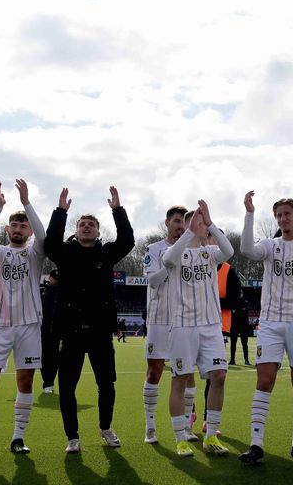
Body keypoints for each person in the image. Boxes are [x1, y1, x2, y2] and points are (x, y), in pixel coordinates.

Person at [237, 184, 293, 466]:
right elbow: (246, 249)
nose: (282, 219)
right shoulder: (271, 245)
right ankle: (256, 445)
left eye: (287, 214)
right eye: (278, 215)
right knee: (265, 381)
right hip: (272, 324)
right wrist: (250, 214)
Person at [43, 186, 135, 452]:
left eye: (91, 225)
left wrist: (118, 210)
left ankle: (105, 427)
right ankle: (72, 436)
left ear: (97, 231)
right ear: (76, 229)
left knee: (106, 384)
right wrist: (60, 212)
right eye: (82, 224)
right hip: (70, 331)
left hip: (100, 331)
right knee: (67, 386)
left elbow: (127, 241)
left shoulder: (106, 253)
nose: (86, 227)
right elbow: (50, 243)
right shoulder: (64, 252)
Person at [154, 201, 234, 457]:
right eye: (195, 222)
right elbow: (167, 259)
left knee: (219, 376)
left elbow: (229, 251)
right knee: (179, 380)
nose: (200, 226)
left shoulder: (211, 253)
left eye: (201, 224)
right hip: (183, 326)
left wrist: (210, 223)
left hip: (211, 326)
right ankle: (180, 439)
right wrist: (190, 230)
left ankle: (211, 436)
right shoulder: (177, 254)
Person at [0, 179, 46, 455]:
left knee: (25, 381)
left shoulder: (35, 253)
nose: (18, 229)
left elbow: (44, 237)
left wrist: (27, 202)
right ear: (7, 229)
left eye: (23, 225)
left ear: (28, 231)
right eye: (14, 225)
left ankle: (18, 437)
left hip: (29, 326)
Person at [140, 206, 196, 444]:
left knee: (188, 374)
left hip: (185, 319)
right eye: (176, 221)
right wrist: (169, 264)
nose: (180, 226)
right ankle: (150, 426)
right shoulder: (154, 249)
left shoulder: (194, 249)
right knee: (154, 371)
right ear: (167, 223)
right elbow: (153, 281)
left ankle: (185, 426)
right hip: (159, 319)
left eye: (183, 222)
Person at [40, 269, 60, 394]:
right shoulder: (42, 291)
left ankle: (50, 382)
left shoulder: (63, 291)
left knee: (54, 358)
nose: (55, 280)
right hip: (43, 330)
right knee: (44, 357)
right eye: (54, 278)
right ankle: (47, 382)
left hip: (58, 330)